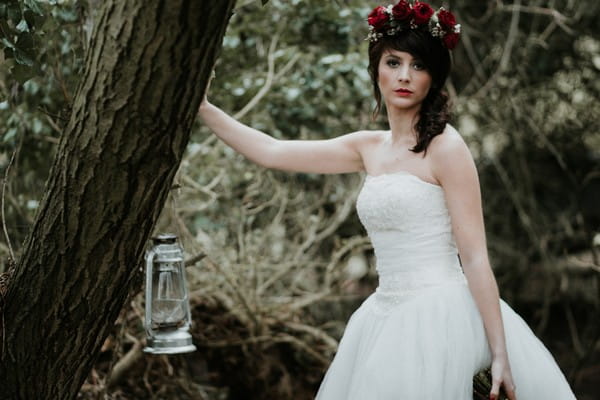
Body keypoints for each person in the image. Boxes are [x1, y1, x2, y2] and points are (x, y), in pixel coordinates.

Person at [199, 2, 577, 399]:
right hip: (383, 315)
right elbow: (272, 152)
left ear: (434, 76)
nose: (404, 76)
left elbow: (476, 256)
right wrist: (204, 108)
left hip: (442, 315)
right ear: (376, 69)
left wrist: (499, 353)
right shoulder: (368, 147)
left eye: (418, 65)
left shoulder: (446, 148)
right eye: (393, 62)